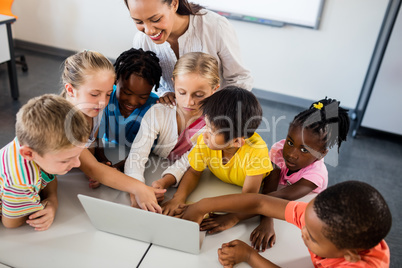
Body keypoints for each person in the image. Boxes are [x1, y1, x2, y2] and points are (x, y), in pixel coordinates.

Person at [201, 98, 350, 252]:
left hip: (297, 216)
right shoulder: (279, 149)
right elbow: (268, 188)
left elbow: (280, 197)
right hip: (272, 205)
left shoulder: (315, 176)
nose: (291, 154)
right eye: (290, 143)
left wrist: (236, 216)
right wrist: (266, 219)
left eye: (304, 150)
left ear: (321, 154)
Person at [180, 181, 392, 268]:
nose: (303, 233)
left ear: (349, 255)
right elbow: (261, 202)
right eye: (305, 225)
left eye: (313, 238)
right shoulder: (321, 218)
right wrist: (202, 206)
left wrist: (250, 256)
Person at [62, 50, 164, 212]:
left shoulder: (94, 110)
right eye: (95, 94)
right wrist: (139, 188)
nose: (103, 102)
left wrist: (101, 162)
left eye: (109, 94)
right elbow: (92, 168)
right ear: (70, 90)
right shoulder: (65, 121)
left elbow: (92, 148)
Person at [124, 51, 220, 208]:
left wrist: (164, 181)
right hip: (153, 171)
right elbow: (137, 153)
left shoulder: (215, 125)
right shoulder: (159, 111)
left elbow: (186, 163)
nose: (188, 102)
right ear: (173, 83)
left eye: (199, 95)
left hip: (196, 183)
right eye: (181, 92)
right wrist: (137, 188)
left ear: (215, 89)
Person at [162, 86, 273, 215]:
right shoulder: (206, 140)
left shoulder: (256, 152)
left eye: (212, 131)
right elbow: (194, 172)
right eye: (206, 126)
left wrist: (208, 208)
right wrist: (178, 198)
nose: (205, 134)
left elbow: (248, 198)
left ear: (236, 142)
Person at [124, 0, 253, 104]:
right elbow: (146, 83)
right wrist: (162, 93)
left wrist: (218, 108)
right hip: (172, 114)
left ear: (174, 4)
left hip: (215, 112)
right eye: (139, 22)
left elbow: (240, 78)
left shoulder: (215, 27)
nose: (149, 31)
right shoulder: (142, 41)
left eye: (156, 19)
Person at [0, 94, 90, 230]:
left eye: (78, 155)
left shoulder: (32, 142)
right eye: (66, 160)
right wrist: (52, 204)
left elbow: (48, 176)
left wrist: (51, 198)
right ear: (28, 154)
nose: (77, 164)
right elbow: (11, 223)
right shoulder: (21, 182)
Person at [95, 48, 162, 173]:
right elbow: (96, 138)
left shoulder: (154, 107)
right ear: (116, 81)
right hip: (110, 149)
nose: (132, 101)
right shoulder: (106, 99)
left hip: (137, 159)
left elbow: (144, 150)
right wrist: (104, 162)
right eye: (126, 92)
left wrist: (119, 166)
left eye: (143, 96)